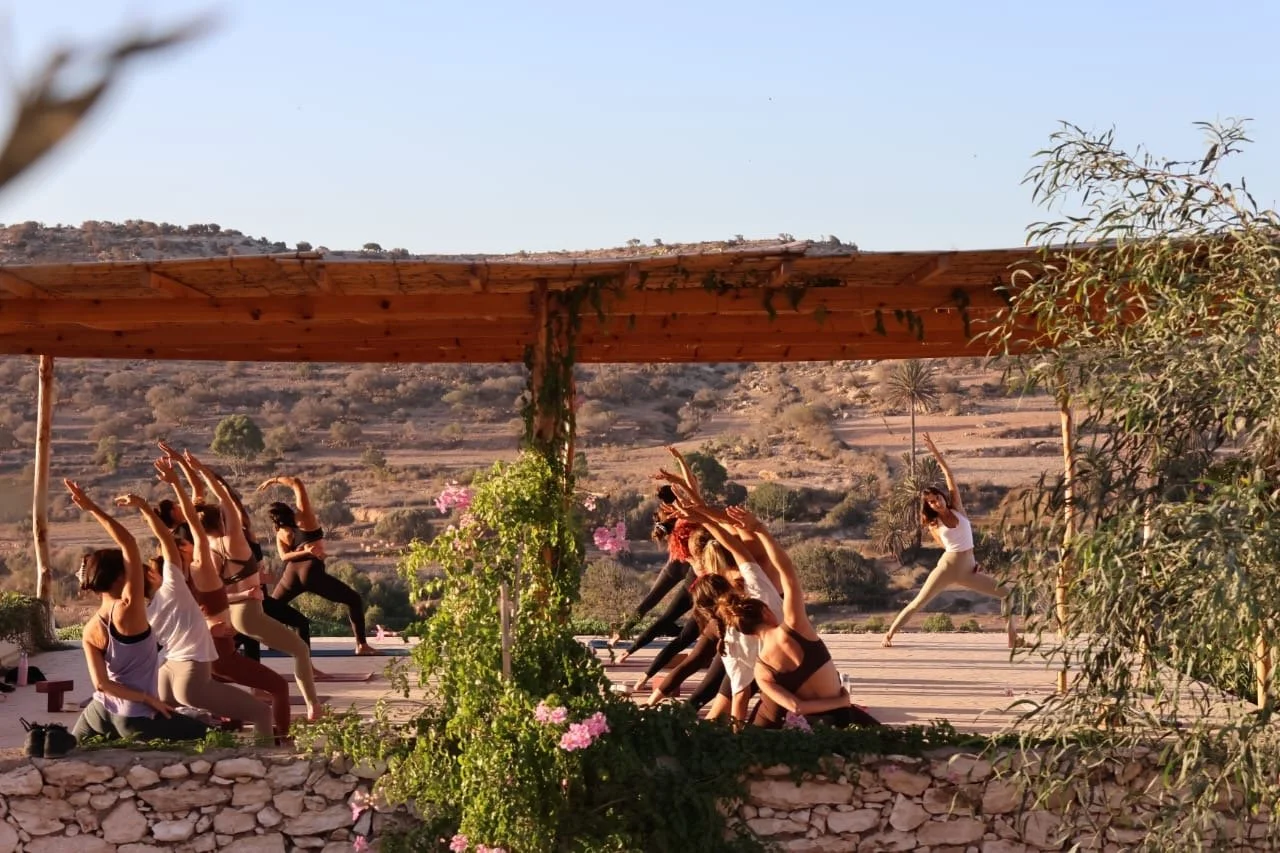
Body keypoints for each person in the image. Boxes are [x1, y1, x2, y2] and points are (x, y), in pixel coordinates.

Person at [693, 506, 878, 729]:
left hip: (813, 728)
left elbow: (796, 706)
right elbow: (787, 571)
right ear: (765, 611)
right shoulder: (796, 625)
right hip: (843, 719)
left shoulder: (761, 671)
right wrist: (760, 529)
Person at [155, 454, 293, 741]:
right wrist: (195, 474)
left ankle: (224, 726)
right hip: (218, 653)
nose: (194, 541)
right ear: (182, 547)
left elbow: (186, 519)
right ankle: (278, 740)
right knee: (278, 688)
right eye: (188, 542)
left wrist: (182, 473)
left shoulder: (173, 579)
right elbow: (198, 520)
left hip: (189, 658)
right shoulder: (201, 568)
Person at [118, 490, 274, 743]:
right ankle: (266, 768)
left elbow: (130, 548)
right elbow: (163, 539)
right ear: (152, 577)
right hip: (191, 675)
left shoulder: (139, 612)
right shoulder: (174, 587)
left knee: (172, 732)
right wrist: (143, 506)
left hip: (166, 672)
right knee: (262, 713)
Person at [179, 451, 322, 720]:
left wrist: (188, 475)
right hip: (249, 613)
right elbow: (225, 496)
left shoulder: (207, 547)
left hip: (231, 612)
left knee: (224, 662)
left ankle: (217, 703)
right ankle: (314, 707)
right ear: (222, 520)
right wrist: (202, 469)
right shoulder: (232, 540)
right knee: (300, 650)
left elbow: (218, 590)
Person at [66, 480, 210, 744]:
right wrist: (147, 698)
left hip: (97, 712)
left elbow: (101, 685)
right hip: (135, 717)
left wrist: (89, 506)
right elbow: (128, 542)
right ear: (121, 576)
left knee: (65, 751)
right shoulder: (128, 609)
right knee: (206, 736)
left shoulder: (90, 628)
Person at [882, 433, 1020, 649]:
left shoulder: (959, 509)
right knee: (919, 602)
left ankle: (1013, 638)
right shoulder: (934, 524)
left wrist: (934, 450)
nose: (936, 503)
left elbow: (949, 474)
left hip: (968, 569)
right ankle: (889, 635)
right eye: (931, 503)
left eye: (937, 498)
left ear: (943, 497)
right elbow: (944, 545)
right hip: (947, 567)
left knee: (1006, 593)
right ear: (929, 506)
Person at [259, 474, 378, 656]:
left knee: (273, 607)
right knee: (353, 600)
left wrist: (303, 552)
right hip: (311, 572)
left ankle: (273, 643)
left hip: (291, 574)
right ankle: (361, 645)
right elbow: (297, 483)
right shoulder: (304, 519)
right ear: (290, 512)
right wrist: (273, 480)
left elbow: (284, 556)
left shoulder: (280, 533)